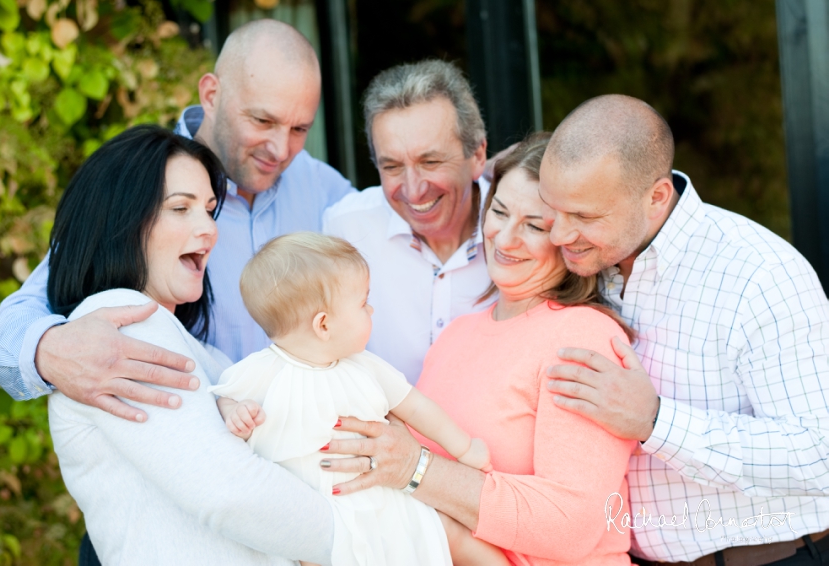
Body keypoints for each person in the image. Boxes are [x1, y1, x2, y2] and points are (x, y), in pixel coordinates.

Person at [0, 19, 353, 422]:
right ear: (211, 94)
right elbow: (12, 331)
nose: (281, 149)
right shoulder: (139, 181)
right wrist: (51, 351)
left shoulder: (320, 187)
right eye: (262, 121)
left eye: (300, 128)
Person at [320, 132, 637, 565]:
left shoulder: (582, 337)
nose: (505, 239)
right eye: (500, 212)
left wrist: (417, 470)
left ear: (571, 237)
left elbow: (572, 524)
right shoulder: (457, 334)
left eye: (534, 226)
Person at [538, 95, 829, 564]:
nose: (556, 235)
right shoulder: (581, 260)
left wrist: (656, 421)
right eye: (551, 208)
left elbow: (820, 456)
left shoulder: (761, 275)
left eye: (585, 218)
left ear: (656, 198)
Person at [46, 124, 339, 565]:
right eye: (180, 208)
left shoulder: (194, 347)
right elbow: (227, 490)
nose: (208, 229)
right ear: (120, 221)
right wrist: (365, 535)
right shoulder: (120, 322)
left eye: (209, 209)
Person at [210, 232, 508, 566]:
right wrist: (236, 411)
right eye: (363, 303)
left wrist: (464, 448)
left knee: (451, 535)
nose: (372, 308)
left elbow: (417, 407)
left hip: (384, 499)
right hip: (320, 517)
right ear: (324, 325)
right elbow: (223, 398)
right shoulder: (260, 371)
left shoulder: (365, 368)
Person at [324, 60, 493, 384]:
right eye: (392, 167)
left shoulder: (525, 231)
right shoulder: (346, 231)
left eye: (430, 161)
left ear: (478, 155)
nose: (414, 190)